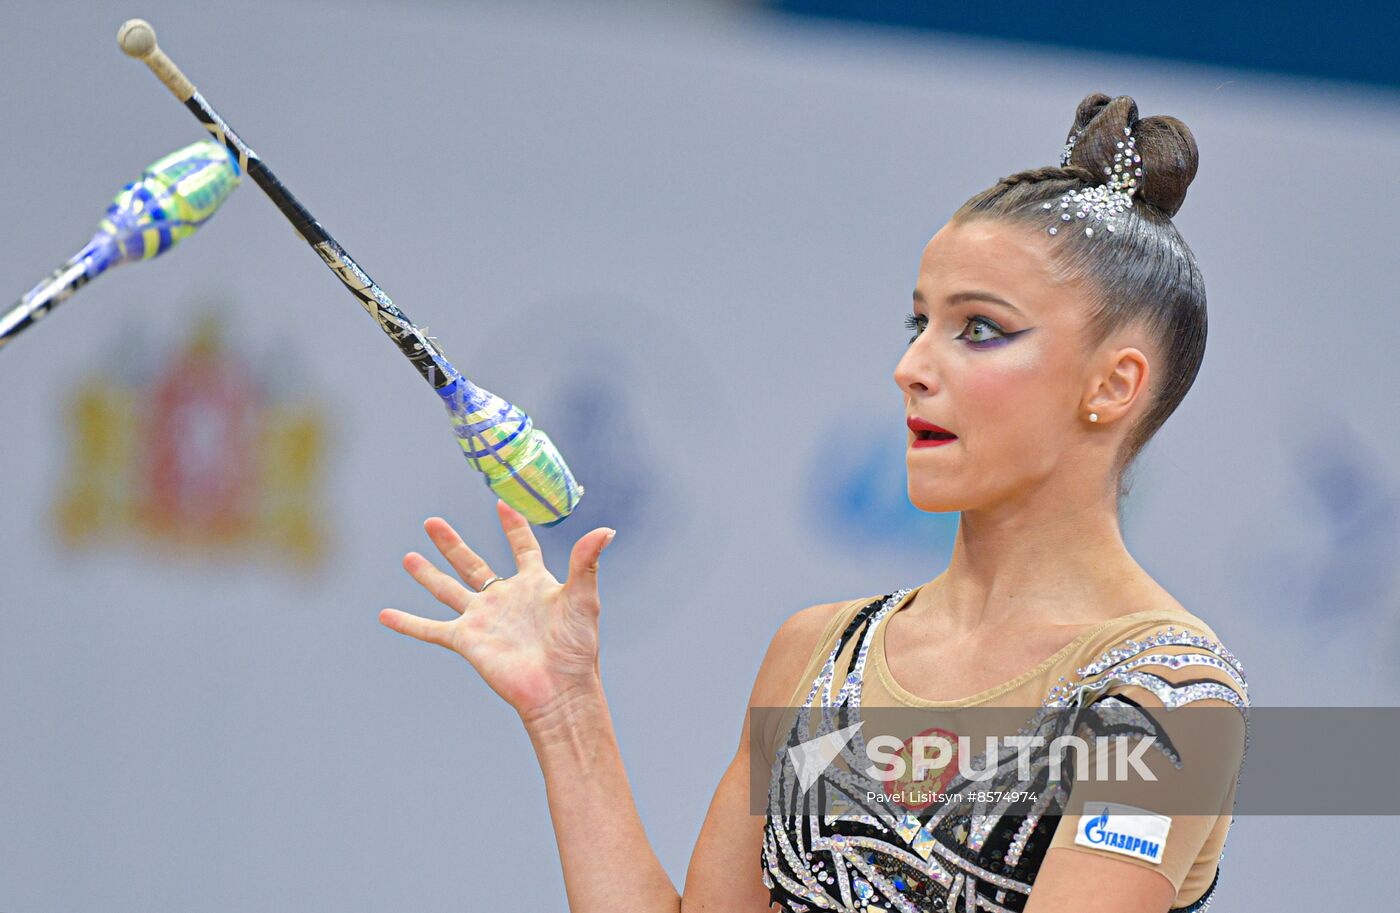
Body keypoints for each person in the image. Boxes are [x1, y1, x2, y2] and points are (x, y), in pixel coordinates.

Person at [377, 92, 1249, 913]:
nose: (913, 367)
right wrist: (565, 708)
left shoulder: (1171, 698)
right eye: (920, 324)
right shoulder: (817, 654)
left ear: (1114, 382)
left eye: (979, 329)